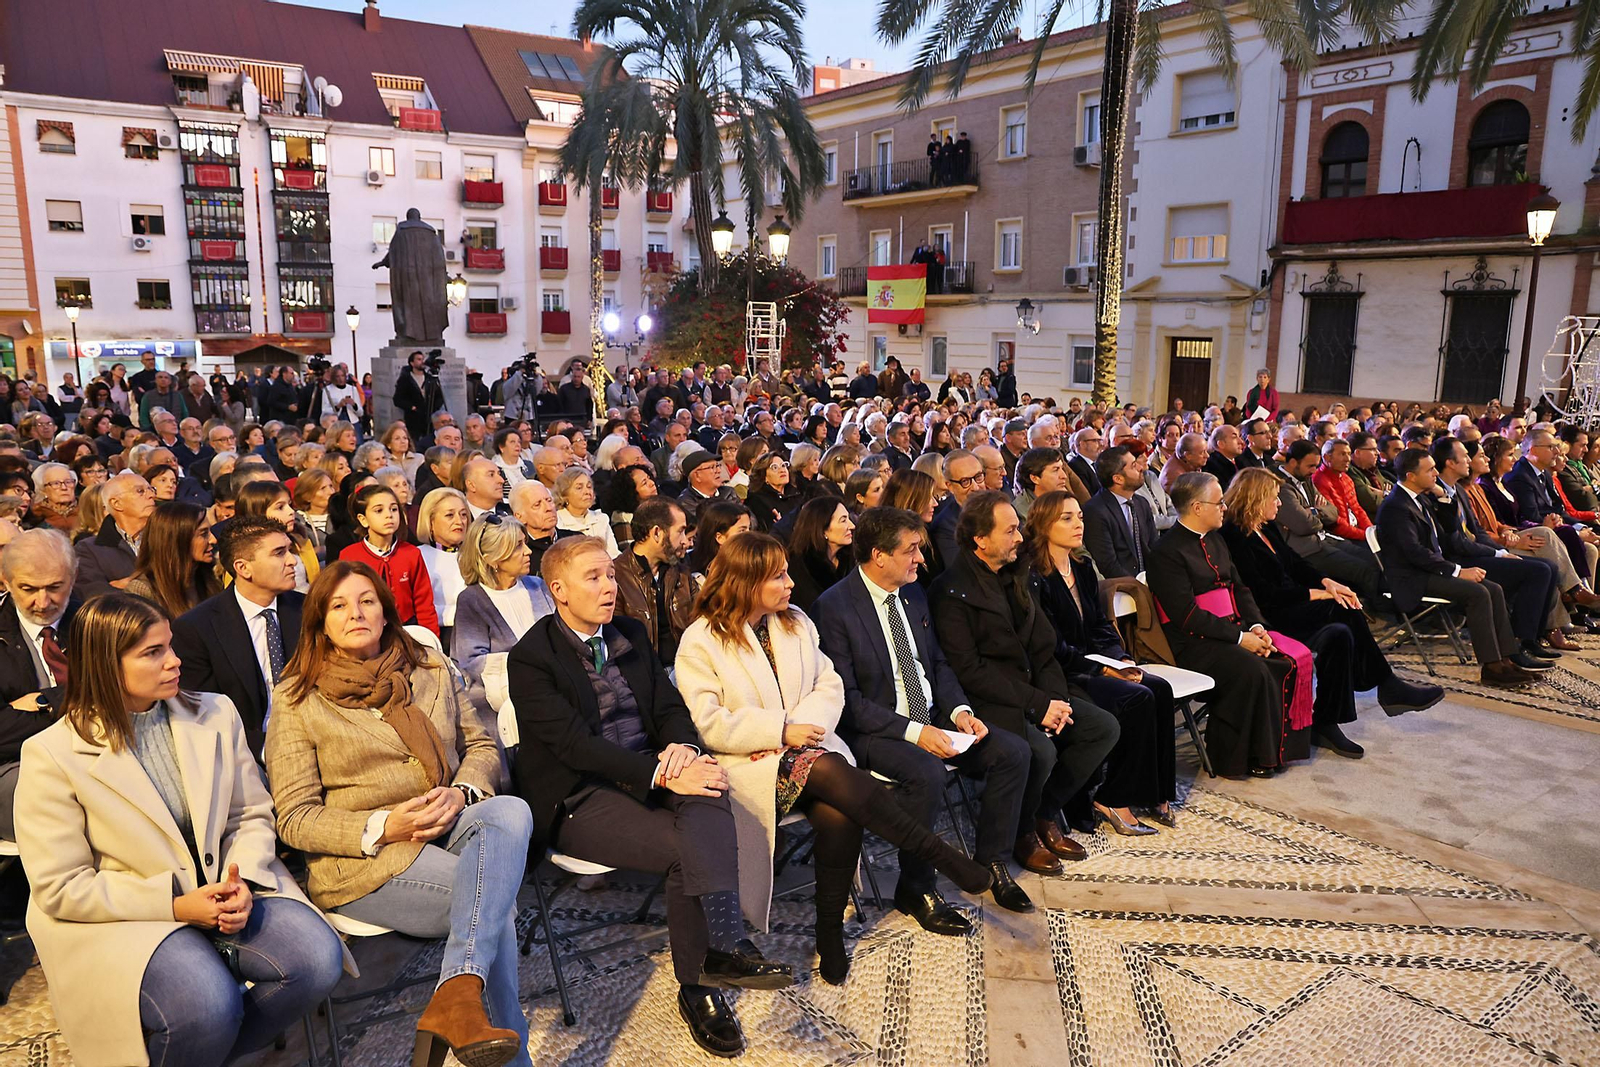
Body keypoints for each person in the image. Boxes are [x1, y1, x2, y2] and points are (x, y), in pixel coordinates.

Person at [18, 593, 347, 1067]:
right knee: (205, 1004)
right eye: (153, 653)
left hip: (219, 889)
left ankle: (203, 1052)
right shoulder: (52, 754)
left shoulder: (214, 713)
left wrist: (243, 881)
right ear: (106, 665)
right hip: (127, 916)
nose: (175, 661)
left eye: (169, 645)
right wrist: (174, 904)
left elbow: (250, 814)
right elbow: (62, 886)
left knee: (316, 962)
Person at [510, 536, 793, 1057]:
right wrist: (663, 775)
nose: (609, 585)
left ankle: (723, 946)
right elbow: (576, 747)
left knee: (710, 787)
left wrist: (684, 750)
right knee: (685, 846)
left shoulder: (631, 633)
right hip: (580, 794)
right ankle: (701, 984)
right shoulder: (531, 658)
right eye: (594, 577)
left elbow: (669, 708)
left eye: (611, 575)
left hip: (655, 768)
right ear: (558, 591)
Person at [676, 532, 992, 985]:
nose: (790, 584)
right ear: (746, 581)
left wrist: (798, 733)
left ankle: (828, 934)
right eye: (778, 576)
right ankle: (937, 852)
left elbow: (831, 686)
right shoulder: (701, 639)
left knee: (839, 813)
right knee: (830, 773)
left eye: (787, 572)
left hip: (810, 749)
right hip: (749, 764)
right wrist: (781, 732)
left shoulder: (796, 621)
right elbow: (710, 722)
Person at [265, 561, 526, 1067]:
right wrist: (386, 825)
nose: (355, 613)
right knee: (497, 901)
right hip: (370, 860)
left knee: (510, 810)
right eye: (338, 606)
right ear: (319, 623)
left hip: (447, 823)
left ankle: (453, 1002)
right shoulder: (298, 698)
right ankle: (488, 1037)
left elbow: (481, 745)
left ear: (386, 612)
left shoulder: (427, 666)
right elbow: (294, 817)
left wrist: (463, 792)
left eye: (366, 601)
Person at [815, 507, 1034, 930]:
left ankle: (992, 863)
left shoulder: (914, 593)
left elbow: (936, 661)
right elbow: (849, 702)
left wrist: (960, 711)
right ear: (879, 555)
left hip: (931, 715)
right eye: (911, 550)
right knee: (927, 773)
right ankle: (916, 887)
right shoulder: (835, 607)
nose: (921, 558)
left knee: (1013, 752)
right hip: (876, 730)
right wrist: (917, 733)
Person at [930, 491, 1121, 872]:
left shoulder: (1022, 576)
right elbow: (971, 670)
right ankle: (1021, 834)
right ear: (980, 540)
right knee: (1041, 751)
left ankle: (1042, 813)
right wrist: (1039, 706)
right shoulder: (952, 590)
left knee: (1102, 727)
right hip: (988, 700)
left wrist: (1054, 701)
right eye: (1011, 530)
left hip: (1034, 689)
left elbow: (1043, 648)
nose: (1020, 538)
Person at [1220, 468, 1444, 755]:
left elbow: (1295, 564)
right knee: (1342, 611)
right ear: (1254, 499)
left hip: (1293, 605)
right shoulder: (1234, 536)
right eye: (1274, 498)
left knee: (1339, 633)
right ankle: (1386, 685)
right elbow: (1262, 594)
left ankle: (1326, 722)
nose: (1279, 504)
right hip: (1267, 616)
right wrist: (1320, 593)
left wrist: (1329, 582)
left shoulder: (1265, 526)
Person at [1024, 492, 1176, 832]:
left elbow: (1099, 626)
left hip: (1095, 662)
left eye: (1079, 516)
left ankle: (1157, 791)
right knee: (1137, 698)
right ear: (1043, 524)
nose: (1078, 523)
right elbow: (1049, 645)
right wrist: (1103, 669)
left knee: (1160, 688)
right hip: (1063, 671)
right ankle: (1112, 797)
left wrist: (1120, 658)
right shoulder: (1034, 576)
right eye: (1067, 518)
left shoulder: (1081, 567)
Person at [1146, 473, 1300, 778]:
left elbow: (1239, 589)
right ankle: (1232, 759)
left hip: (1228, 631)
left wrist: (1256, 626)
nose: (1225, 508)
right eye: (1219, 503)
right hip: (1190, 643)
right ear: (1197, 507)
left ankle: (1269, 753)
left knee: (1281, 661)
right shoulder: (1166, 551)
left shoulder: (1216, 538)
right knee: (1250, 668)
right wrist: (1240, 638)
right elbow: (1186, 615)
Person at [1376, 451, 1543, 687]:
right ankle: (1491, 667)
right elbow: (1414, 553)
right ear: (1411, 476)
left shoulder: (1420, 497)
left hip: (1428, 570)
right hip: (1412, 578)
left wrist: (1443, 497)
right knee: (1478, 593)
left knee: (1493, 589)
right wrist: (1456, 571)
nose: (1436, 473)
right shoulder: (1396, 507)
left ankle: (1506, 659)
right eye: (1430, 470)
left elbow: (1449, 528)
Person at [171, 517, 303, 760]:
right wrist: (268, 750)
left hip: (314, 739)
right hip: (243, 754)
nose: (292, 560)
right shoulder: (196, 629)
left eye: (290, 550)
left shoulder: (310, 611)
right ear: (243, 568)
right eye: (279, 553)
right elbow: (203, 714)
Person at [0, 529, 77, 839]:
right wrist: (77, 706)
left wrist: (47, 701)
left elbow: (124, 693)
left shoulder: (102, 620)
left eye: (55, 588)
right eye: (28, 588)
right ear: (6, 582)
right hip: (15, 766)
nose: (43, 602)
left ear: (73, 577)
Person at [451, 513, 556, 720]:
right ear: (493, 559)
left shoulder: (538, 586)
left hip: (553, 686)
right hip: (501, 701)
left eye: (525, 543)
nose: (528, 552)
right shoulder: (472, 600)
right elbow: (471, 661)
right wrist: (530, 665)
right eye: (518, 546)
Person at [339, 484, 440, 634]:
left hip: (407, 630)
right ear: (363, 519)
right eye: (379, 511)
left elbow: (424, 604)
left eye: (393, 509)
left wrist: (431, 641)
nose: (389, 515)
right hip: (367, 630)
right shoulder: (349, 556)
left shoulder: (411, 553)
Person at [123, 501, 221, 618]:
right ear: (178, 539)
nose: (213, 540)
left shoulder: (211, 577)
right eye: (203, 533)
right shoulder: (143, 590)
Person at [72, 472, 156, 598]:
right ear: (117, 503)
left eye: (151, 489)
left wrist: (131, 585)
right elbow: (96, 597)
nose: (152, 495)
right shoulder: (88, 550)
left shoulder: (169, 537)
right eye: (140, 491)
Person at [1083, 446, 1157, 579]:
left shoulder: (1141, 503)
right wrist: (1138, 587)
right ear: (1118, 479)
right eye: (1134, 466)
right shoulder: (1095, 511)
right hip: (1121, 589)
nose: (1141, 468)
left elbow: (1154, 547)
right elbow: (1107, 564)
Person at [235, 479, 321, 593]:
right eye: (280, 507)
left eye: (290, 505)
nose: (291, 511)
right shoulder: (241, 552)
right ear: (257, 513)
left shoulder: (300, 541)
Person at [416, 487, 472, 654]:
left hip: (477, 631)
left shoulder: (478, 553)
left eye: (463, 514)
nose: (459, 521)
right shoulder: (418, 556)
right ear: (430, 522)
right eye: (450, 515)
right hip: (439, 637)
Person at [787, 497, 855, 614]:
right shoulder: (798, 566)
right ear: (823, 529)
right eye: (843, 520)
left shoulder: (851, 559)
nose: (852, 525)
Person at [553, 466, 620, 557]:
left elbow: (613, 554)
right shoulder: (557, 521)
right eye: (579, 488)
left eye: (589, 486)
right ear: (564, 494)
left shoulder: (601, 518)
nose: (587, 492)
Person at [745, 451, 801, 533]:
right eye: (774, 467)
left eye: (783, 465)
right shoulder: (756, 500)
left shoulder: (796, 494)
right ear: (764, 476)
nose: (782, 470)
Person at [394, 350, 444, 440]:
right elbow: (397, 399)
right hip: (414, 419)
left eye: (423, 359)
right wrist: (412, 407)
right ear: (412, 363)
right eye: (419, 359)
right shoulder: (405, 379)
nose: (422, 362)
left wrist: (434, 409)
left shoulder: (430, 378)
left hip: (429, 418)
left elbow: (439, 397)